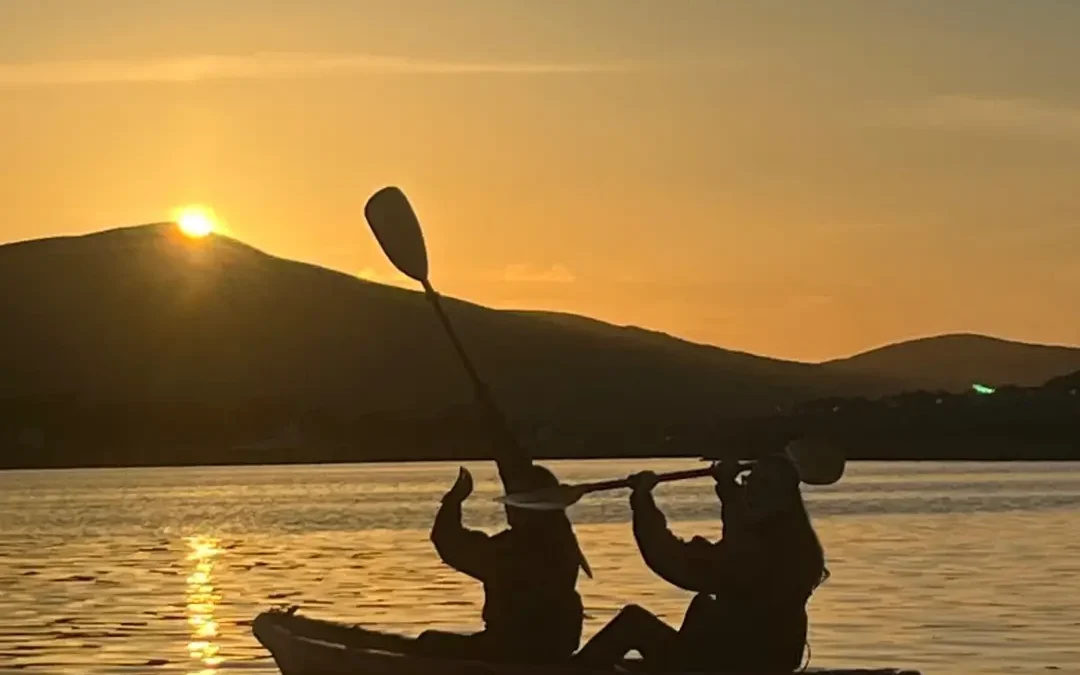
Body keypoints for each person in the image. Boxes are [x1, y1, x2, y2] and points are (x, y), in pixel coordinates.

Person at [575, 453, 828, 673]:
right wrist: (728, 488)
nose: (752, 491)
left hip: (732, 661)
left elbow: (675, 561)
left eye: (765, 486)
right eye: (750, 482)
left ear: (785, 498)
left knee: (633, 622)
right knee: (703, 604)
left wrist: (643, 501)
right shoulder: (798, 542)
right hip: (760, 658)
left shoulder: (761, 549)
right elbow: (739, 537)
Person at [416, 462, 592, 664]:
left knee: (428, 642)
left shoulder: (516, 548)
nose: (508, 510)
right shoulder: (562, 540)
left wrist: (453, 501)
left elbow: (451, 544)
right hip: (553, 646)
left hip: (511, 649)